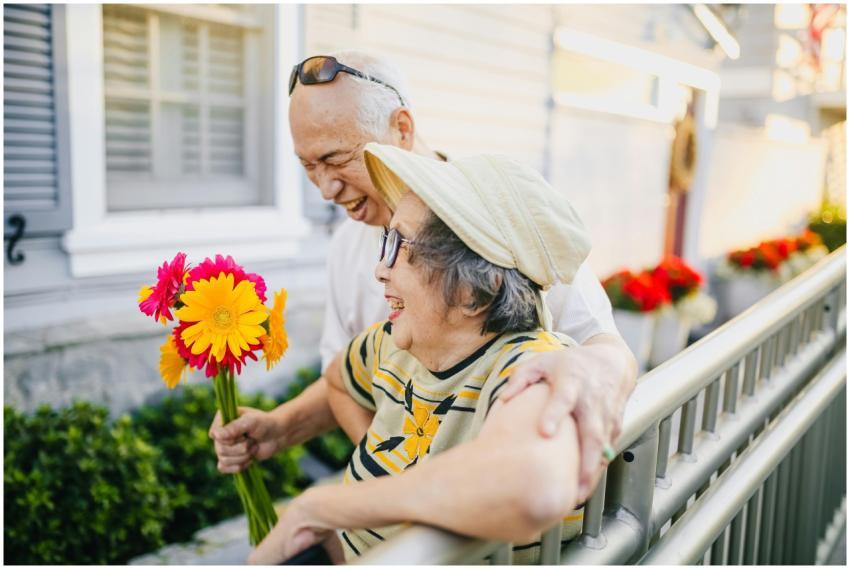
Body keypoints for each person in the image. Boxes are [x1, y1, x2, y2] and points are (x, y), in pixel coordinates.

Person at [210, 50, 637, 503]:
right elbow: (347, 375)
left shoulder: (495, 218)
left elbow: (603, 348)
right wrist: (283, 428)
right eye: (308, 166)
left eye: (336, 159)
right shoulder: (346, 246)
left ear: (403, 128)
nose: (326, 189)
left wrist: (600, 370)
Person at [248, 142, 595, 564]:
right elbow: (339, 382)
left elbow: (531, 490)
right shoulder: (391, 345)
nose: (381, 268)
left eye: (402, 246)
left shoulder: (528, 367)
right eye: (385, 241)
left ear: (474, 292)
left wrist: (316, 508)